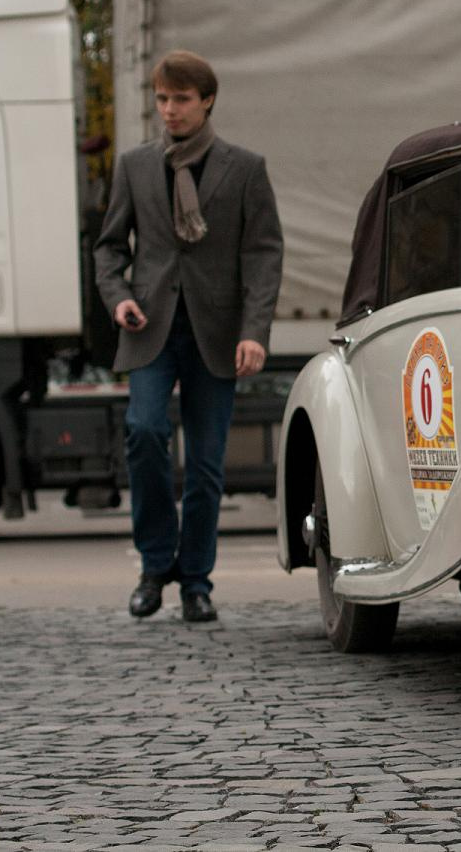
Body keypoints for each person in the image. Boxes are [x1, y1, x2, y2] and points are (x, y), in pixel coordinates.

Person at [94, 50, 283, 623]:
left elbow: (263, 254)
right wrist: (119, 297)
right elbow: (109, 248)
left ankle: (195, 582)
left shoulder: (244, 168)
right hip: (149, 328)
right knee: (145, 431)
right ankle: (155, 567)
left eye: (180, 99)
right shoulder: (134, 165)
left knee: (205, 465)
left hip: (217, 334)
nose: (169, 109)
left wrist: (254, 331)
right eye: (161, 99)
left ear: (207, 101)